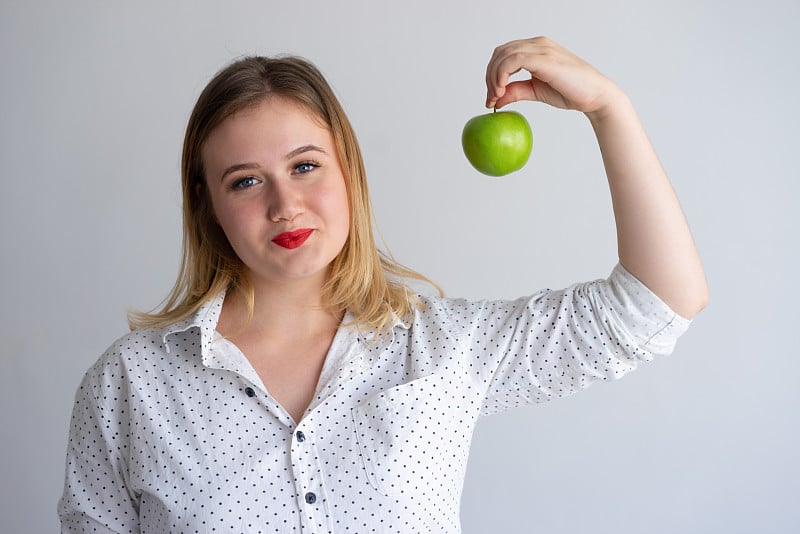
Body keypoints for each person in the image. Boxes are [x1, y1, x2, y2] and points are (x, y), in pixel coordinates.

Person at [58, 36, 708, 533]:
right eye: (246, 181)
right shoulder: (129, 386)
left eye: (305, 166)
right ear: (207, 203)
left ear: (348, 172)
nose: (285, 205)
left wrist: (608, 109)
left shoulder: (446, 348)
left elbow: (658, 303)